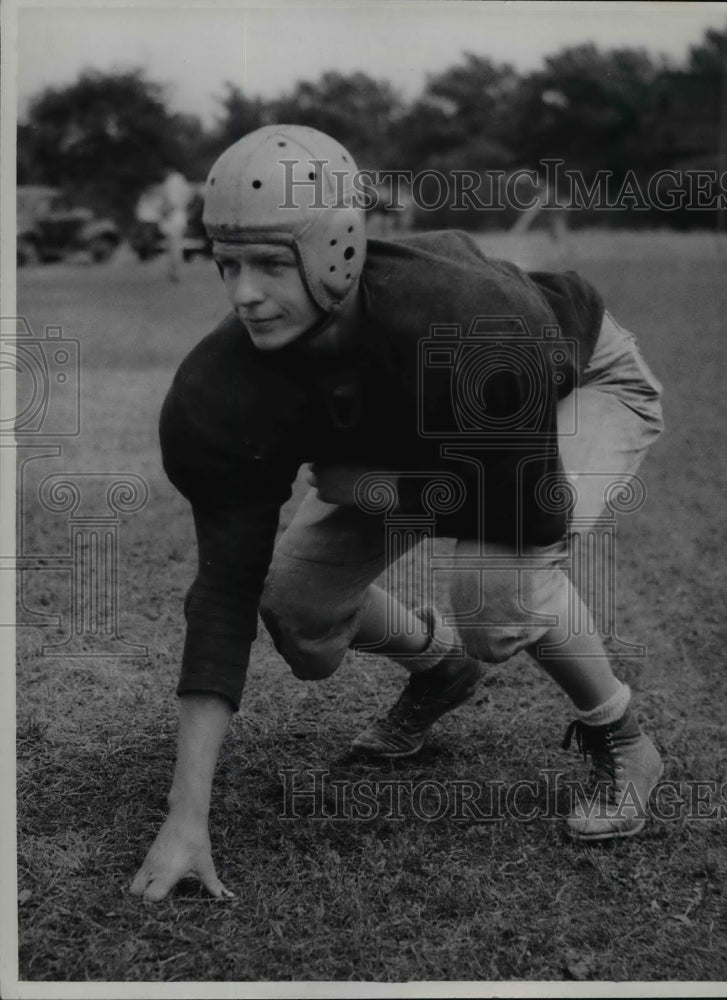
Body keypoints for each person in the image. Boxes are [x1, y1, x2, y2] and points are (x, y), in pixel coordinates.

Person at [130, 125, 665, 902]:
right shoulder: (219, 390)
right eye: (228, 263)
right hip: (419, 436)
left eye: (271, 263)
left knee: (493, 592)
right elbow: (223, 597)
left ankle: (624, 738)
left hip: (574, 390)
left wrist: (366, 488)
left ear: (336, 250)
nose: (243, 293)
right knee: (299, 613)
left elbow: (522, 513)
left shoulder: (471, 323)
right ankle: (437, 666)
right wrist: (187, 817)